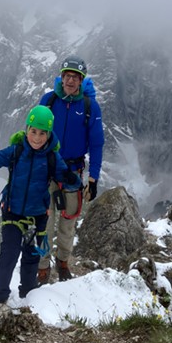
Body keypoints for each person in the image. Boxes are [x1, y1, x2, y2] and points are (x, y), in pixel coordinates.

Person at [0, 105, 81, 304]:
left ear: (49, 133)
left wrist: (73, 179)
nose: (36, 137)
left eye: (42, 133)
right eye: (33, 131)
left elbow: (67, 177)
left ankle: (29, 296)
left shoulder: (52, 158)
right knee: (9, 253)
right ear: (27, 129)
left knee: (31, 257)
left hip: (38, 217)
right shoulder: (17, 151)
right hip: (13, 212)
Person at [37, 55, 104, 283]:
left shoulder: (88, 106)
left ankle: (63, 263)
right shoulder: (48, 101)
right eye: (67, 76)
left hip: (72, 173)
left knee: (68, 221)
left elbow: (96, 143)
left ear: (82, 81)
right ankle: (42, 267)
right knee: (44, 222)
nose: (70, 81)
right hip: (46, 170)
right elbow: (32, 133)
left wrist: (93, 178)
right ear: (61, 77)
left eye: (75, 77)